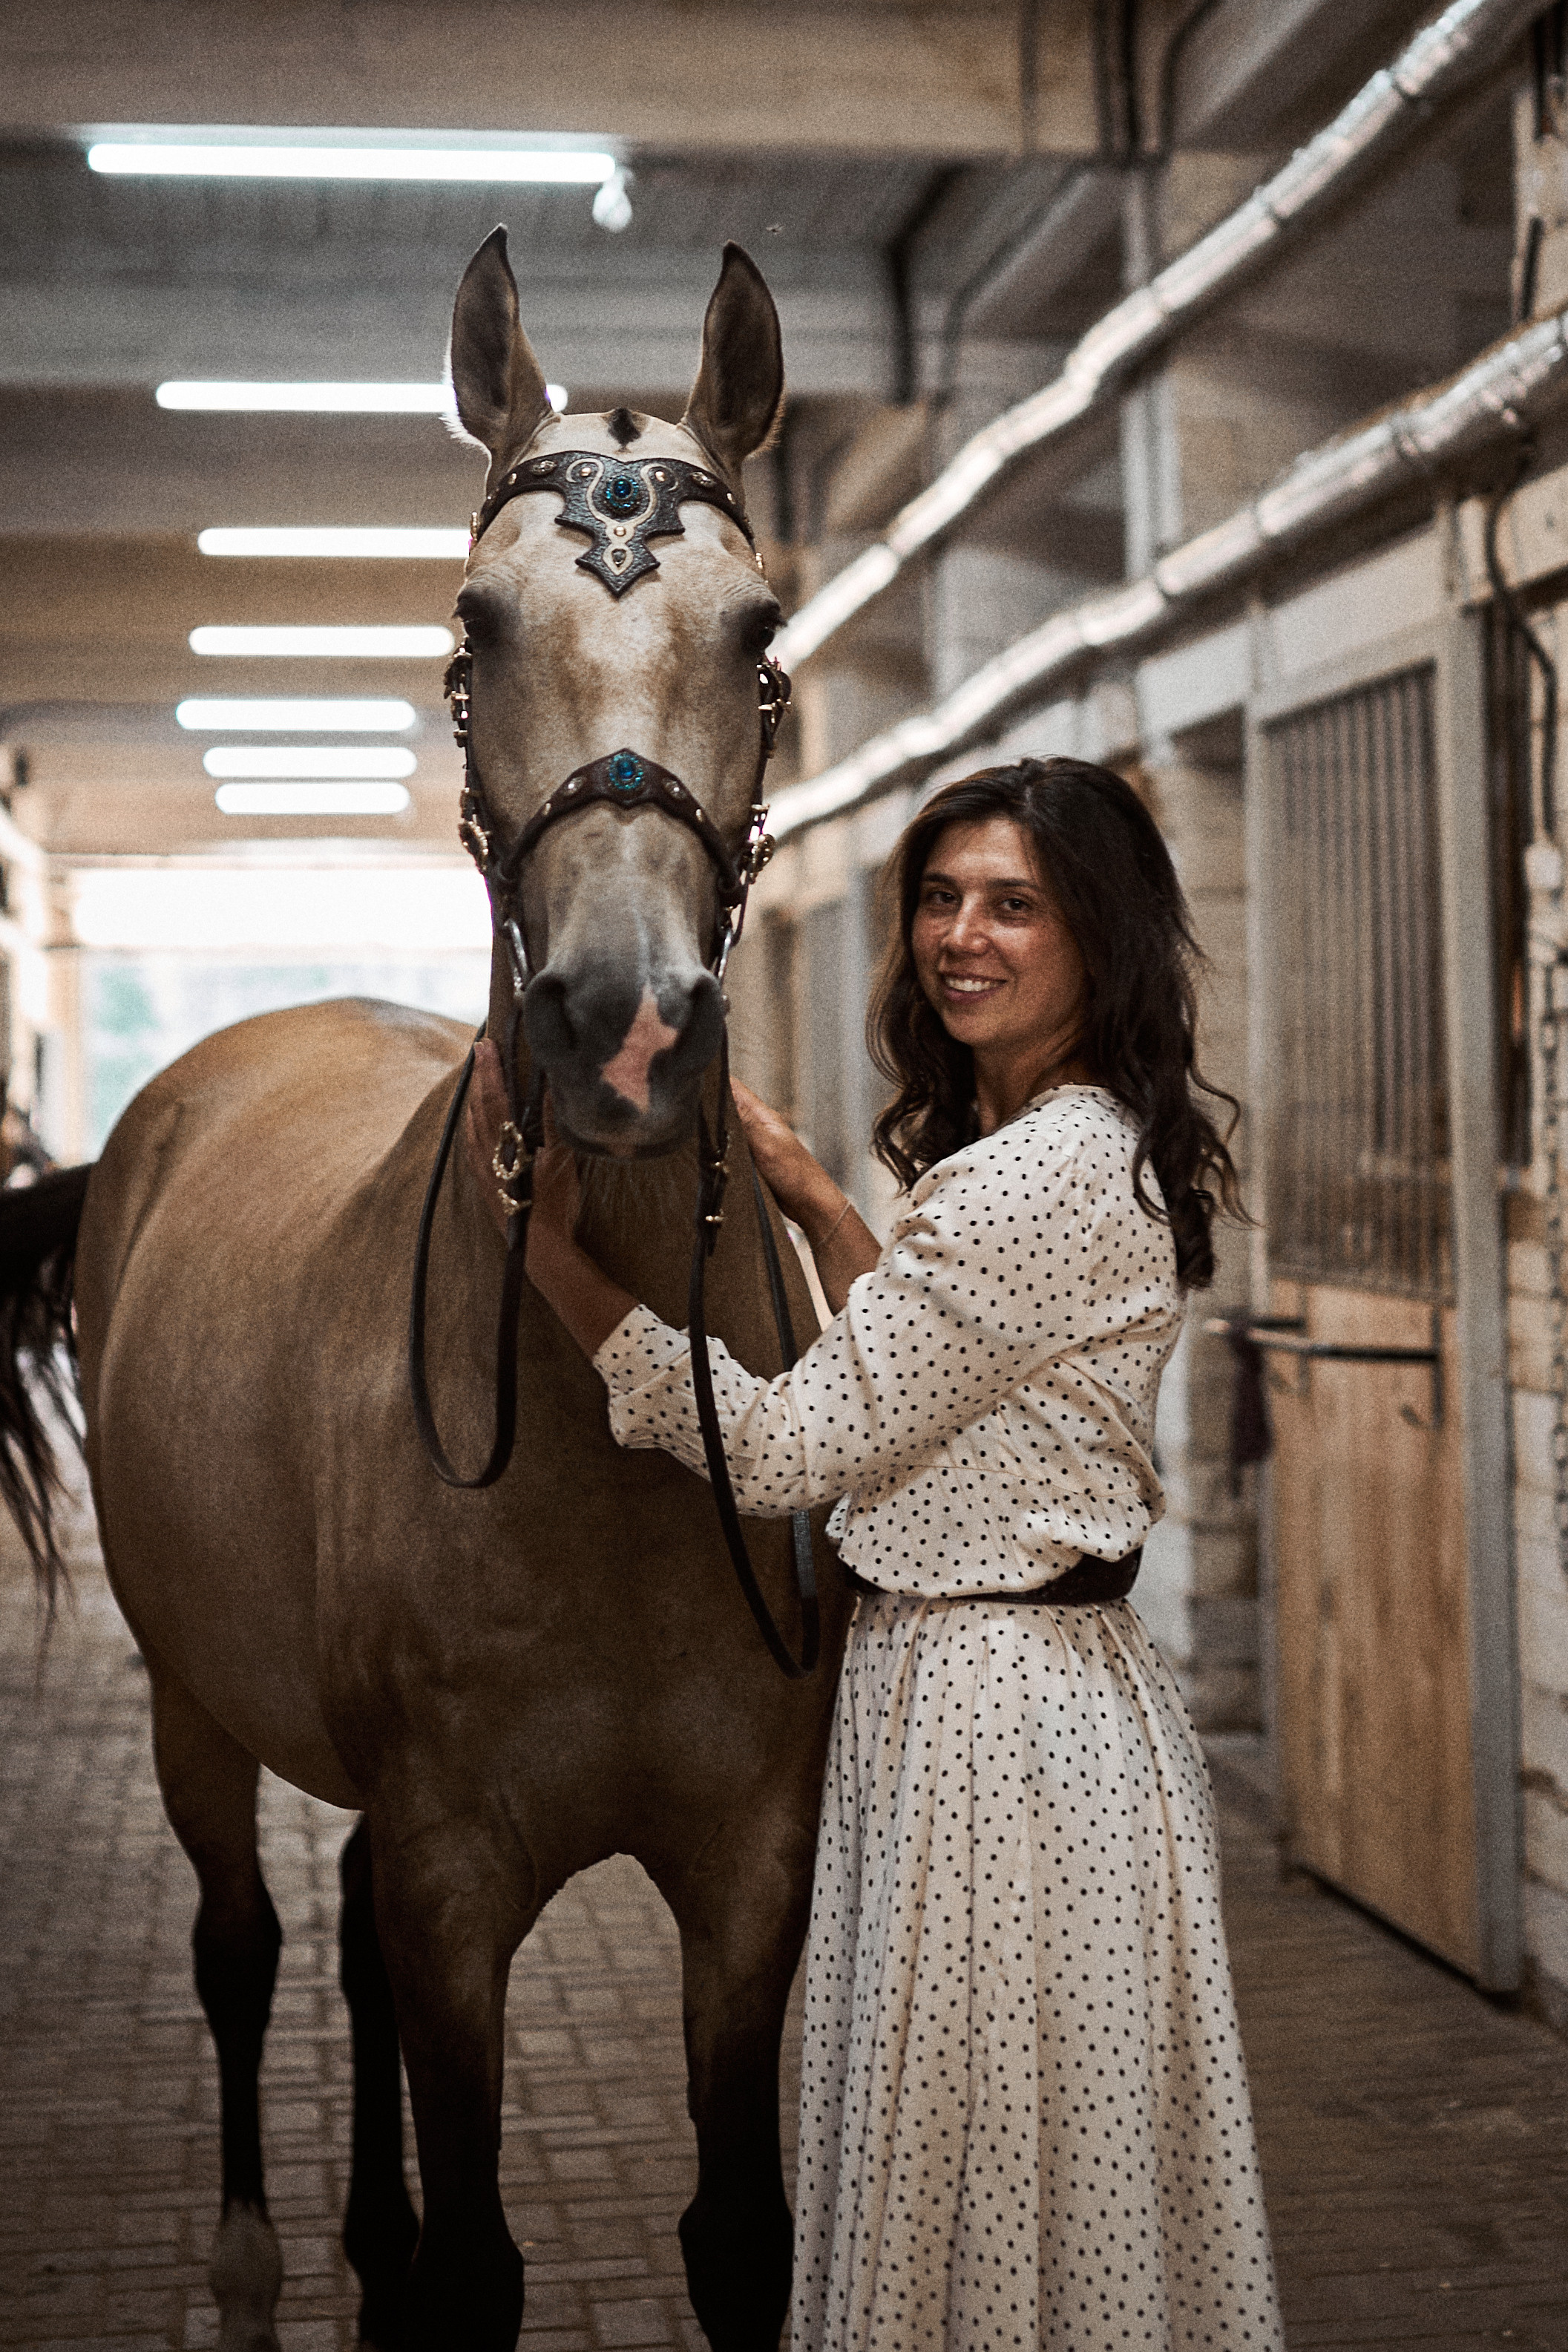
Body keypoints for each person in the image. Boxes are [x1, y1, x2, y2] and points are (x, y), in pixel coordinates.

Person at [515, 757, 1283, 2352]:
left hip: (991, 1725)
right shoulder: (1069, 1148)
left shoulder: (1026, 1181)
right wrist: (810, 1192)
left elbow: (796, 1444)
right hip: (1028, 1698)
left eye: (1015, 904)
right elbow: (951, 1390)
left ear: (1102, 935)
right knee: (1026, 2158)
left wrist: (560, 1273)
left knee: (985, 2154)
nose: (961, 937)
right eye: (939, 898)